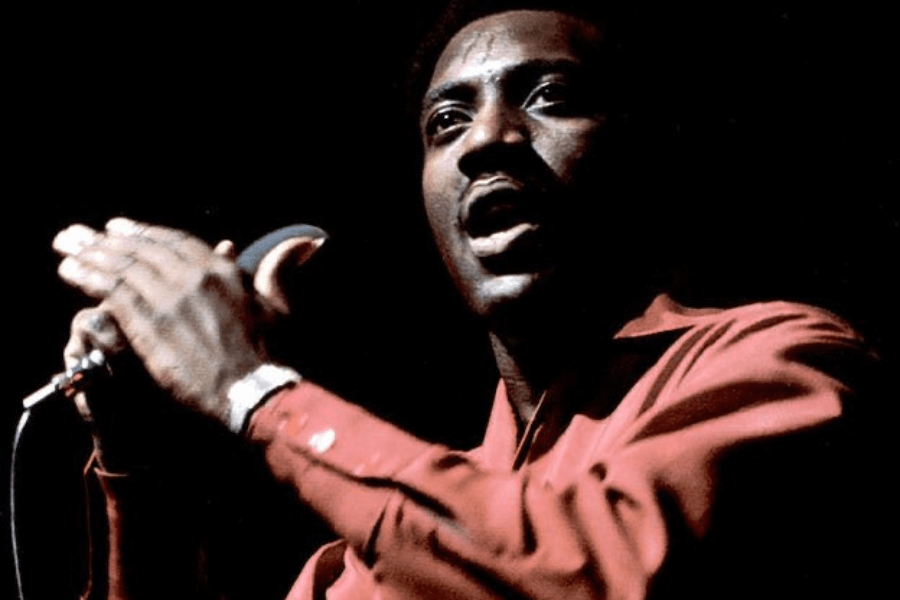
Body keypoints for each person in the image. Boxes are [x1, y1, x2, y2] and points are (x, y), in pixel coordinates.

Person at [52, 2, 877, 599]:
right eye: (445, 122)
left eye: (548, 97)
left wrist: (249, 389)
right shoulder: (360, 567)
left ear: (648, 162)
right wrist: (143, 470)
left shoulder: (784, 361)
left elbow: (595, 575)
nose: (485, 140)